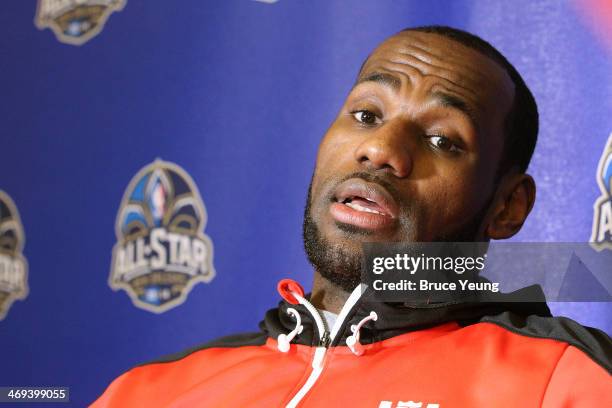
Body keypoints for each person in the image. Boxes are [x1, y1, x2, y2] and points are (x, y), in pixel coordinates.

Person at [92, 26, 611, 407]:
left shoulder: (569, 379)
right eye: (366, 115)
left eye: (441, 140)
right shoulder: (147, 391)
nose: (381, 148)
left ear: (507, 207)